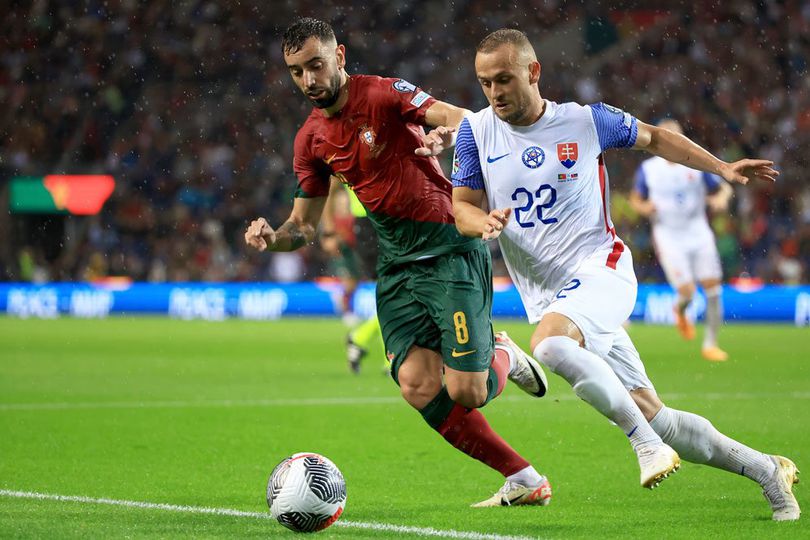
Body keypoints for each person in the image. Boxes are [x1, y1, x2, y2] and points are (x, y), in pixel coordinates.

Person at [450, 28, 800, 520]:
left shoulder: (586, 121)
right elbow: (461, 206)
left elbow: (657, 139)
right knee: (659, 416)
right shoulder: (475, 133)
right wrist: (480, 222)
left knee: (548, 346)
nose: (494, 92)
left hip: (602, 269)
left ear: (534, 72)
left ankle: (642, 445)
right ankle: (767, 469)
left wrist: (721, 168)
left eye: (504, 79)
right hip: (556, 297)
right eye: (485, 82)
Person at [244, 18, 551, 507]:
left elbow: (457, 116)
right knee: (417, 384)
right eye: (296, 72)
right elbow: (302, 227)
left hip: (450, 248)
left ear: (339, 57)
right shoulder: (310, 139)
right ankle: (524, 478)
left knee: (467, 391)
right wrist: (272, 237)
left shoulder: (385, 94)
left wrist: (445, 137)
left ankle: (506, 355)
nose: (309, 81)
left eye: (316, 66)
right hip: (397, 267)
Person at [630, 119, 733, 361]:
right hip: (668, 235)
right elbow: (635, 198)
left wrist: (722, 199)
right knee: (687, 291)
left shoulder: (695, 165)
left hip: (698, 231)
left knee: (713, 288)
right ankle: (680, 308)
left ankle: (710, 344)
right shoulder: (649, 169)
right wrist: (644, 207)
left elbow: (724, 187)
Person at [320, 178, 384, 373]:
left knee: (397, 289)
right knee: (393, 288)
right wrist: (329, 231)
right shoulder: (345, 152)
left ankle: (359, 338)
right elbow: (329, 189)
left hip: (386, 221)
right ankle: (389, 357)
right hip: (369, 225)